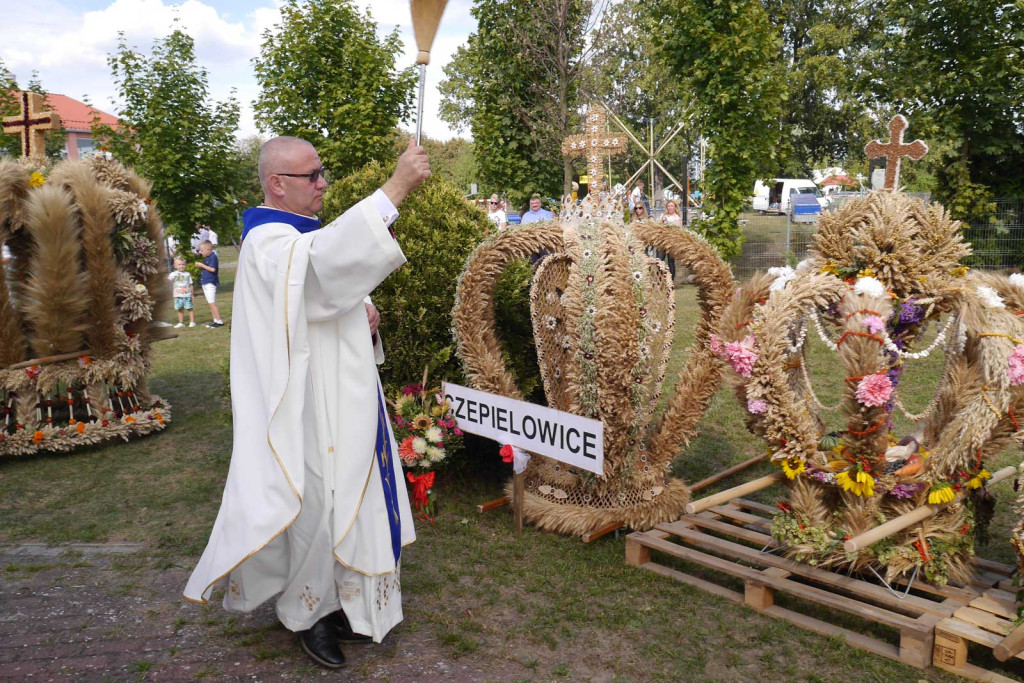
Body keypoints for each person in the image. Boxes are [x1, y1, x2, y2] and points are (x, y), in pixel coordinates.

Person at [183, 135, 427, 670]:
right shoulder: (267, 241)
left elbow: (330, 288)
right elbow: (318, 271)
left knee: (350, 502)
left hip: (342, 395)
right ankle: (306, 614)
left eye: (322, 173)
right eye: (312, 176)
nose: (323, 184)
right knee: (314, 505)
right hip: (303, 407)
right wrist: (396, 188)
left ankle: (340, 605)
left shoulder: (301, 237)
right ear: (277, 184)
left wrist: (367, 315)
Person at [195, 240, 224, 328]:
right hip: (205, 282)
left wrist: (201, 265)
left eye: (202, 251)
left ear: (208, 250)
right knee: (209, 302)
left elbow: (212, 269)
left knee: (212, 302)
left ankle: (219, 321)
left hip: (210, 282)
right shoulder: (207, 257)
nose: (201, 252)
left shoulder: (213, 257)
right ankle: (215, 320)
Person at [167, 256, 196, 328]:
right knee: (180, 309)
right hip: (178, 295)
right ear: (175, 266)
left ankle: (192, 322)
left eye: (183, 264)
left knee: (190, 308)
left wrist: (192, 295)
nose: (181, 266)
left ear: (185, 265)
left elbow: (190, 285)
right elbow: (167, 281)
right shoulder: (173, 274)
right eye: (179, 264)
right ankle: (181, 323)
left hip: (187, 294)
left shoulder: (188, 274)